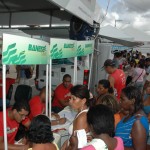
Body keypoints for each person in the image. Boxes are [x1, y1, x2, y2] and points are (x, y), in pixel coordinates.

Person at [62, 85, 93, 149]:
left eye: (74, 99)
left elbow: (77, 145)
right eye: (70, 98)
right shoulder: (82, 113)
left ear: (83, 101)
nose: (70, 101)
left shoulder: (82, 117)